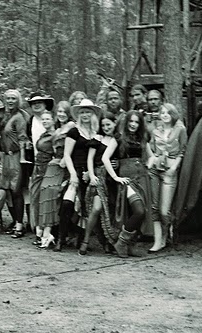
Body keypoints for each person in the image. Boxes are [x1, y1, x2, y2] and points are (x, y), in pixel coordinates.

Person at [102, 111, 155, 258]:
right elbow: (105, 158)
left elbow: (152, 156)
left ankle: (130, 245)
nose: (133, 124)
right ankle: (121, 242)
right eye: (131, 121)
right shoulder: (118, 138)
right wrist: (115, 177)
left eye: (136, 122)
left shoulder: (142, 138)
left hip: (142, 178)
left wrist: (148, 165)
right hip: (127, 180)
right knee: (139, 211)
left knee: (137, 213)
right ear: (126, 122)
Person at [54, 98, 101, 252]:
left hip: (89, 172)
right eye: (82, 112)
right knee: (67, 202)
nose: (85, 115)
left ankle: (80, 239)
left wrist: (90, 173)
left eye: (88, 112)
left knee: (86, 206)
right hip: (73, 170)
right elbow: (67, 155)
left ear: (93, 114)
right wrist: (73, 174)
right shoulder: (74, 131)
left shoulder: (95, 134)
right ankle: (61, 239)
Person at [147, 104, 187, 253]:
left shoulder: (180, 129)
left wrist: (174, 167)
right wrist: (152, 159)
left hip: (169, 171)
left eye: (168, 113)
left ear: (173, 114)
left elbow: (183, 150)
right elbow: (150, 147)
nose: (164, 115)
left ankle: (167, 232)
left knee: (164, 211)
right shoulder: (156, 130)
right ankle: (158, 241)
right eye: (162, 112)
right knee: (155, 207)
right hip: (155, 170)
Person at [80, 112, 119, 255]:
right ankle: (85, 240)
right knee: (96, 208)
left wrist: (118, 163)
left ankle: (107, 242)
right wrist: (91, 175)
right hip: (98, 176)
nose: (106, 127)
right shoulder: (98, 138)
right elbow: (90, 159)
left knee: (109, 211)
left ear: (115, 123)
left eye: (108, 124)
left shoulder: (118, 139)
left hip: (111, 180)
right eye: (103, 125)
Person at [37, 101, 75, 248]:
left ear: (69, 113)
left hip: (65, 164)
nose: (61, 114)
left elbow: (73, 146)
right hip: (54, 163)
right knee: (45, 191)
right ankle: (46, 233)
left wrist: (66, 158)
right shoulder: (58, 129)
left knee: (53, 192)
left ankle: (49, 233)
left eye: (64, 112)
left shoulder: (72, 126)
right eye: (59, 111)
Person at [0, 89, 30, 238]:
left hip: (16, 157)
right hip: (6, 157)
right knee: (8, 191)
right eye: (8, 98)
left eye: (13, 99)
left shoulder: (19, 117)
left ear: (18, 101)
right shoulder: (6, 117)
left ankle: (20, 225)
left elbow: (22, 138)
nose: (10, 101)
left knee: (16, 191)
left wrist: (22, 158)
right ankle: (15, 221)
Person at [29, 110, 55, 241]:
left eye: (47, 119)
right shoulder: (44, 134)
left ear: (53, 120)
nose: (45, 121)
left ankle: (43, 231)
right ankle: (38, 229)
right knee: (35, 197)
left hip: (47, 168)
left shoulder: (55, 135)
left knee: (42, 198)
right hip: (38, 167)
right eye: (43, 119)